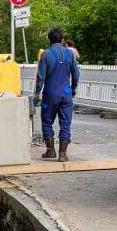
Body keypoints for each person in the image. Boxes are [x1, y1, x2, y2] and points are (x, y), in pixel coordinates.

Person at [33, 28, 80, 161]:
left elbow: (41, 77)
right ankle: (63, 154)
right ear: (62, 40)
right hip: (66, 93)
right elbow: (76, 75)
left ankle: (50, 150)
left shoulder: (46, 54)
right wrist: (73, 89)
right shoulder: (70, 54)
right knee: (65, 123)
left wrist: (37, 93)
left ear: (49, 40)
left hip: (50, 93)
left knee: (47, 121)